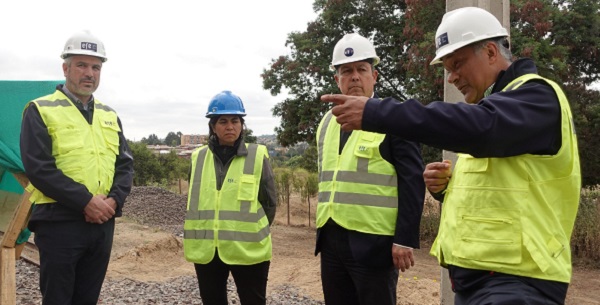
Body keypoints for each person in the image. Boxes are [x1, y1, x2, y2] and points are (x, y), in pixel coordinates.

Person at [321, 7, 581, 305]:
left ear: (492, 51)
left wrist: (376, 112)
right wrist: (446, 188)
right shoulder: (492, 110)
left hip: (519, 283)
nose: (452, 77)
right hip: (478, 280)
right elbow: (500, 191)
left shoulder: (536, 97)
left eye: (458, 64)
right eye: (447, 68)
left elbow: (480, 131)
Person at [20, 30, 134, 304]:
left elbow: (125, 165)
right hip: (59, 223)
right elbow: (39, 168)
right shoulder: (40, 109)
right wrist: (85, 201)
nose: (89, 73)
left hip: (102, 224)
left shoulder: (109, 115)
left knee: (87, 298)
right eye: (81, 65)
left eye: (95, 67)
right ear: (65, 68)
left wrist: (113, 202)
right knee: (58, 298)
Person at [315, 33, 426, 305]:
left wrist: (405, 238)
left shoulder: (393, 118)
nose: (354, 77)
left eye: (361, 70)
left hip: (375, 246)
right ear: (336, 79)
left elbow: (412, 180)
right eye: (346, 71)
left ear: (374, 76)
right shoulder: (326, 123)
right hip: (331, 241)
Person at [183, 90, 277, 305]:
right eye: (223, 121)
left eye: (235, 121)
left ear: (242, 125)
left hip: (248, 249)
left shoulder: (257, 155)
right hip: (207, 251)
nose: (230, 126)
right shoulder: (198, 158)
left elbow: (269, 203)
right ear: (213, 126)